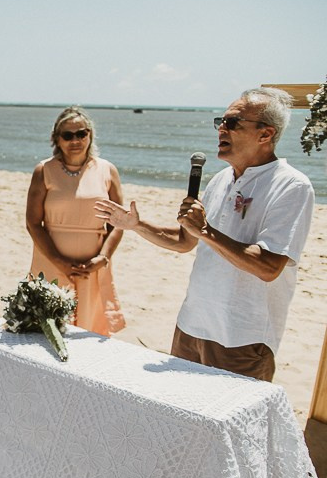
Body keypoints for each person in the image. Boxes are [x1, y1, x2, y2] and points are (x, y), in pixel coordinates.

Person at [95, 87, 315, 381]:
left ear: (265, 134)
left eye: (233, 123)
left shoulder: (292, 186)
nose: (222, 129)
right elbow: (186, 241)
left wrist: (206, 230)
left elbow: (269, 266)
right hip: (191, 325)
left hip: (241, 336)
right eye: (221, 122)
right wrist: (136, 225)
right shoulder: (222, 179)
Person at [26, 106, 126, 336]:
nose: (76, 140)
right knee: (47, 330)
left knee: (88, 331)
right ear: (56, 139)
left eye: (82, 133)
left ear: (90, 135)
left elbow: (119, 223)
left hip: (92, 266)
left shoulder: (107, 170)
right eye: (68, 135)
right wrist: (59, 261)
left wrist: (103, 258)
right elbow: (33, 223)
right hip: (50, 262)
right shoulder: (44, 170)